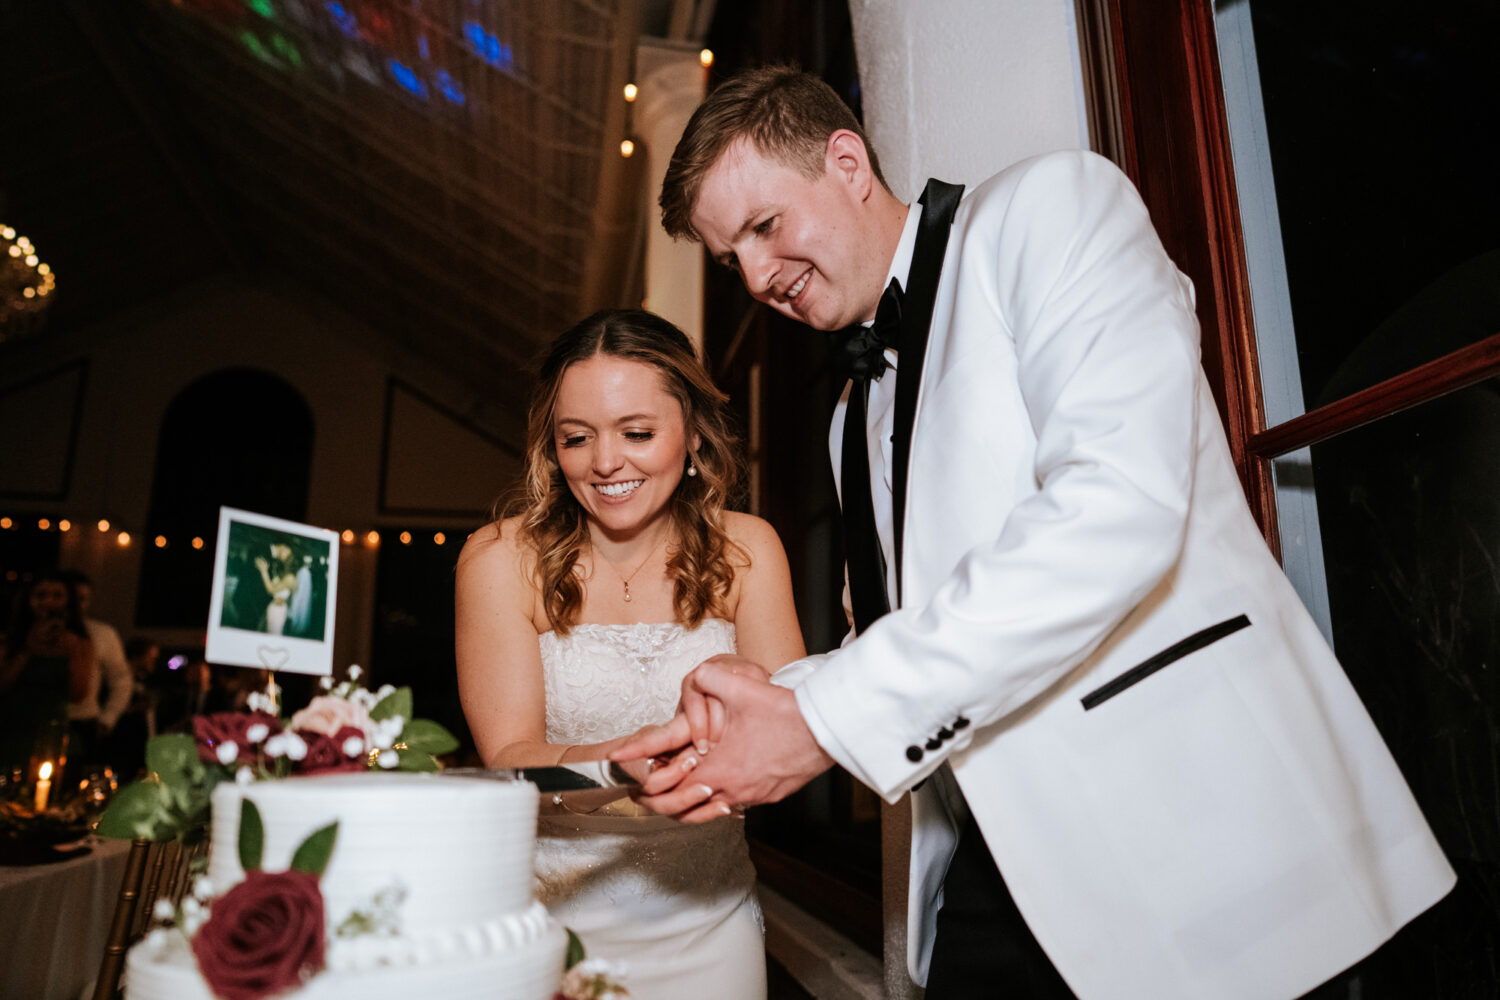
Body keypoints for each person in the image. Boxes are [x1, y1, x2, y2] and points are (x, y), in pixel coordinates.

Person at [613, 67, 1456, 999]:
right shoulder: (850, 414)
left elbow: (1118, 509)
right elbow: (908, 625)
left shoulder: (1049, 207)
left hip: (1198, 836)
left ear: (846, 162)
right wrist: (764, 707)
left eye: (764, 227)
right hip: (989, 871)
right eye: (733, 261)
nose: (759, 277)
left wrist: (821, 718)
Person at [455, 308, 805, 1000]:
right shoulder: (500, 559)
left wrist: (752, 701)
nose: (606, 462)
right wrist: (619, 766)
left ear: (695, 432)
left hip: (710, 920)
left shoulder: (750, 549)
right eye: (576, 438)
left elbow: (793, 738)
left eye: (637, 432)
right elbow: (509, 757)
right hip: (555, 923)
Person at [0, 571, 94, 781]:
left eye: (57, 595)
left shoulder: (78, 643)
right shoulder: (11, 639)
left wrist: (72, 652)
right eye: (41, 595)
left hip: (51, 732)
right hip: (11, 730)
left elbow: (78, 694)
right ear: (29, 599)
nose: (48, 602)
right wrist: (27, 649)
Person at [58, 570, 132, 774]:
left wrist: (108, 718)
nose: (77, 605)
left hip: (83, 723)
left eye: (83, 599)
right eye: (73, 598)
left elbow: (121, 679)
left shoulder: (101, 634)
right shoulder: (41, 634)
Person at [253, 544, 298, 635]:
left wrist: (263, 570)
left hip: (278, 609)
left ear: (291, 558)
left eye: (286, 552)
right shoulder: (284, 574)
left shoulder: (290, 578)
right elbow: (272, 585)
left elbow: (270, 589)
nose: (282, 553)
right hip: (274, 606)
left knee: (273, 634)